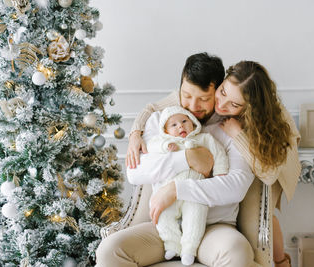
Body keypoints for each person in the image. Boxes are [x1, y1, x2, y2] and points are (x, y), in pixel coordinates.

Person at [124, 58, 301, 267]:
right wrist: (136, 132)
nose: (221, 105)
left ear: (248, 108)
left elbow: (266, 174)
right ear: (221, 84)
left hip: (274, 165)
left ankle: (282, 263)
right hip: (169, 220)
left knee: (266, 216)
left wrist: (238, 135)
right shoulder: (181, 109)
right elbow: (154, 107)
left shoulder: (252, 122)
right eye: (222, 92)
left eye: (234, 104)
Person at [96, 52, 260, 267]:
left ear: (218, 92)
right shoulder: (161, 121)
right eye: (187, 95)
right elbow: (136, 172)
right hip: (162, 226)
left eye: (203, 98)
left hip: (214, 228)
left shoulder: (231, 129)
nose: (192, 105)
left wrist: (176, 189)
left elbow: (235, 186)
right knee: (110, 250)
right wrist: (187, 158)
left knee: (237, 253)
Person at [127, 106, 229, 266]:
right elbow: (151, 147)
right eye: (173, 125)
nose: (180, 126)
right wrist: (165, 147)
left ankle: (189, 248)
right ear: (165, 130)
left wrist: (220, 173)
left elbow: (220, 154)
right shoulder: (164, 141)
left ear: (193, 123)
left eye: (184, 121)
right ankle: (172, 244)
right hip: (166, 195)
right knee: (163, 216)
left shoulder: (204, 139)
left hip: (195, 193)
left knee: (196, 217)